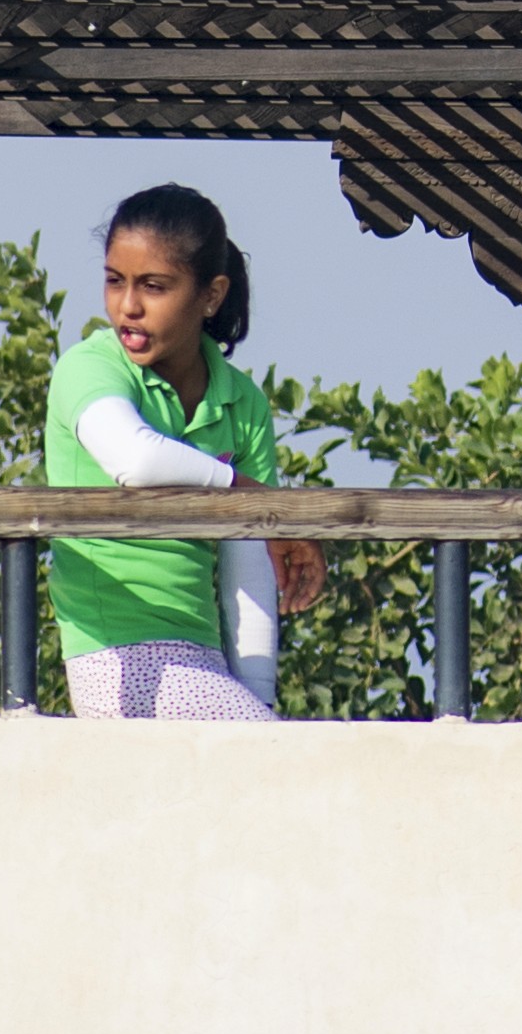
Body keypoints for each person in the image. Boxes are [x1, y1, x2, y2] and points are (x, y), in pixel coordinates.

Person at [43, 183, 325, 720]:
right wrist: (248, 493)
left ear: (211, 295)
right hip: (117, 658)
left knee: (277, 750)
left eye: (153, 286)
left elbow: (250, 569)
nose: (128, 306)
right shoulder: (90, 367)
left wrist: (259, 699)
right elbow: (136, 460)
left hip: (204, 659)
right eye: (114, 281)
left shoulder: (242, 401)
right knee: (291, 760)